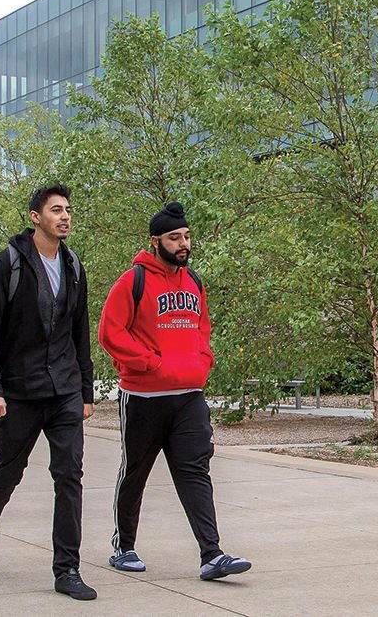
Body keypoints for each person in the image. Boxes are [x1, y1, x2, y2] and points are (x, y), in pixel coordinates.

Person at [98, 202, 251, 581]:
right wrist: (149, 363)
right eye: (174, 238)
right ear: (156, 241)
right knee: (135, 472)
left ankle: (212, 554)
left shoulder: (194, 282)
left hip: (188, 397)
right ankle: (124, 546)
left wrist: (203, 361)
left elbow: (203, 329)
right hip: (144, 399)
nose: (183, 244)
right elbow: (110, 334)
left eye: (186, 237)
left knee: (195, 471)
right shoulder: (131, 281)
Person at [0, 184, 97, 601]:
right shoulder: (8, 264)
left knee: (69, 475)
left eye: (69, 210)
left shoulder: (74, 266)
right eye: (56, 210)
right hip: (18, 392)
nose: (65, 217)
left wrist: (86, 390)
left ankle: (67, 569)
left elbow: (80, 334)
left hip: (63, 392)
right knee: (7, 472)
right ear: (35, 216)